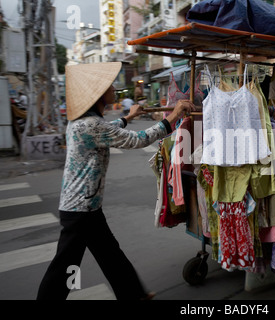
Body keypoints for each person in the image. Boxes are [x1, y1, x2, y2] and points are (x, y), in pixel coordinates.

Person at [36, 62, 195, 300]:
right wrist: (173, 117)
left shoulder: (83, 122)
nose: (113, 88)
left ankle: (133, 294)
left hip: (85, 206)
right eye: (109, 86)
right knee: (65, 266)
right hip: (80, 209)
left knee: (109, 254)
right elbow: (138, 139)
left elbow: (107, 128)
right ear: (98, 94)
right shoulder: (89, 125)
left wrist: (127, 118)